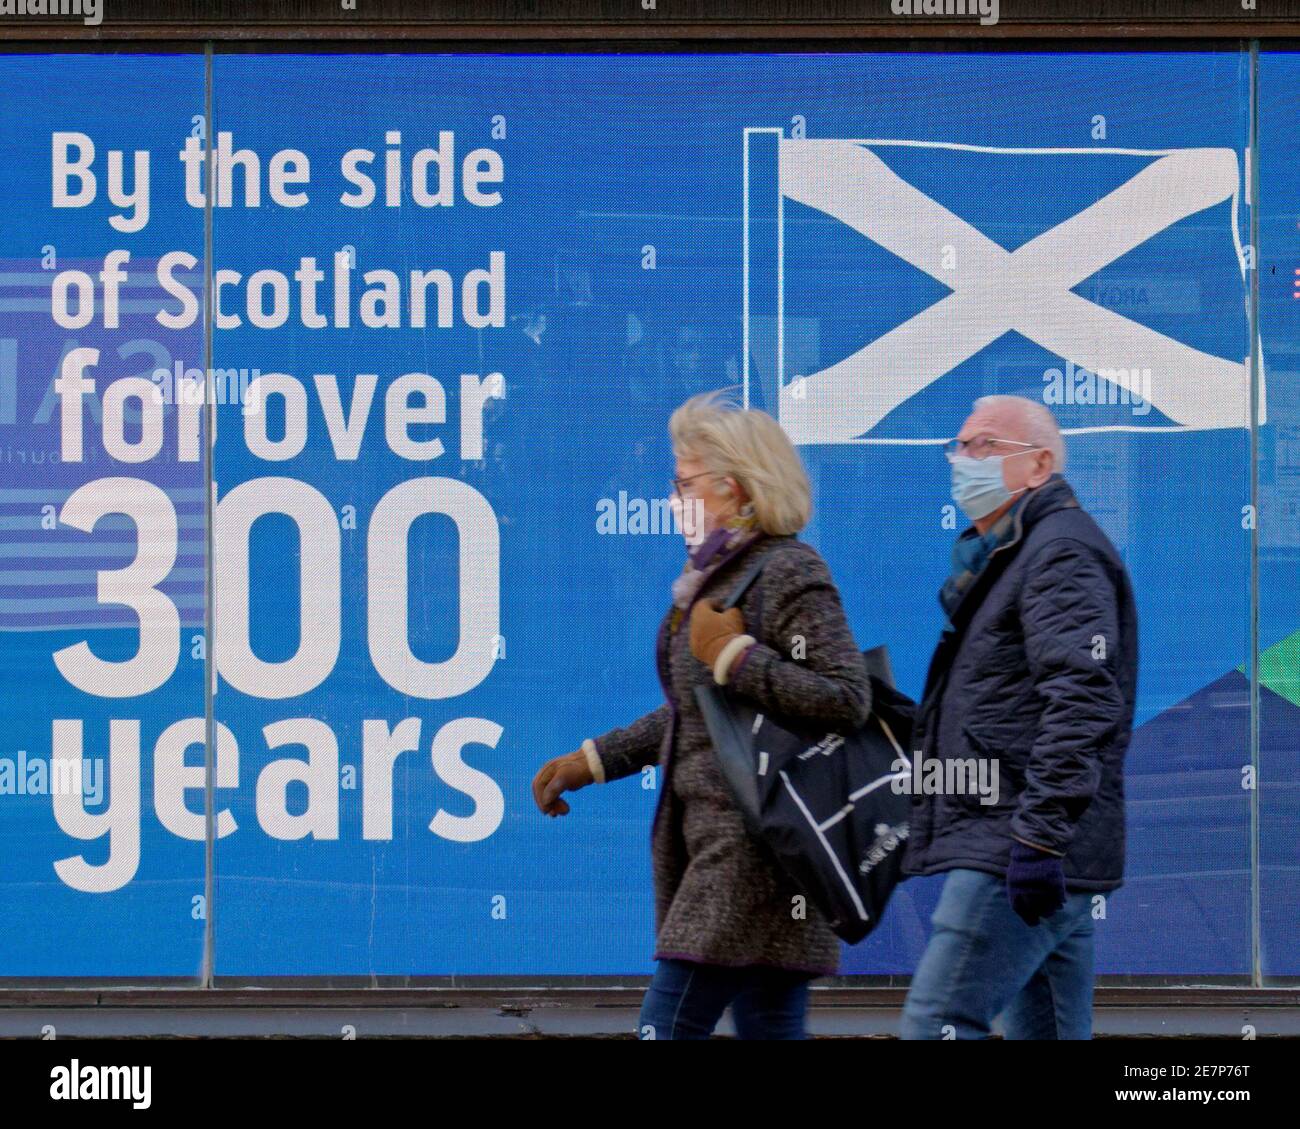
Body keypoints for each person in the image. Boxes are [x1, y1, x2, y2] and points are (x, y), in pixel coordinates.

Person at [531, 390, 871, 1039]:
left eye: (685, 483)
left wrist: (736, 655)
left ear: (740, 490)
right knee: (768, 1027)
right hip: (731, 855)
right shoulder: (715, 580)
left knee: (668, 1023)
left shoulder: (789, 571)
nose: (672, 499)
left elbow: (845, 697)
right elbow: (697, 713)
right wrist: (593, 760)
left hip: (753, 858)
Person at [899, 395, 1137, 1040]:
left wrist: (1036, 838)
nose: (962, 460)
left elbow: (1083, 699)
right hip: (1041, 840)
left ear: (1039, 465)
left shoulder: (1059, 552)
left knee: (939, 1020)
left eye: (983, 446)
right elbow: (1007, 702)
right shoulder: (1012, 555)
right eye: (959, 445)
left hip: (1016, 839)